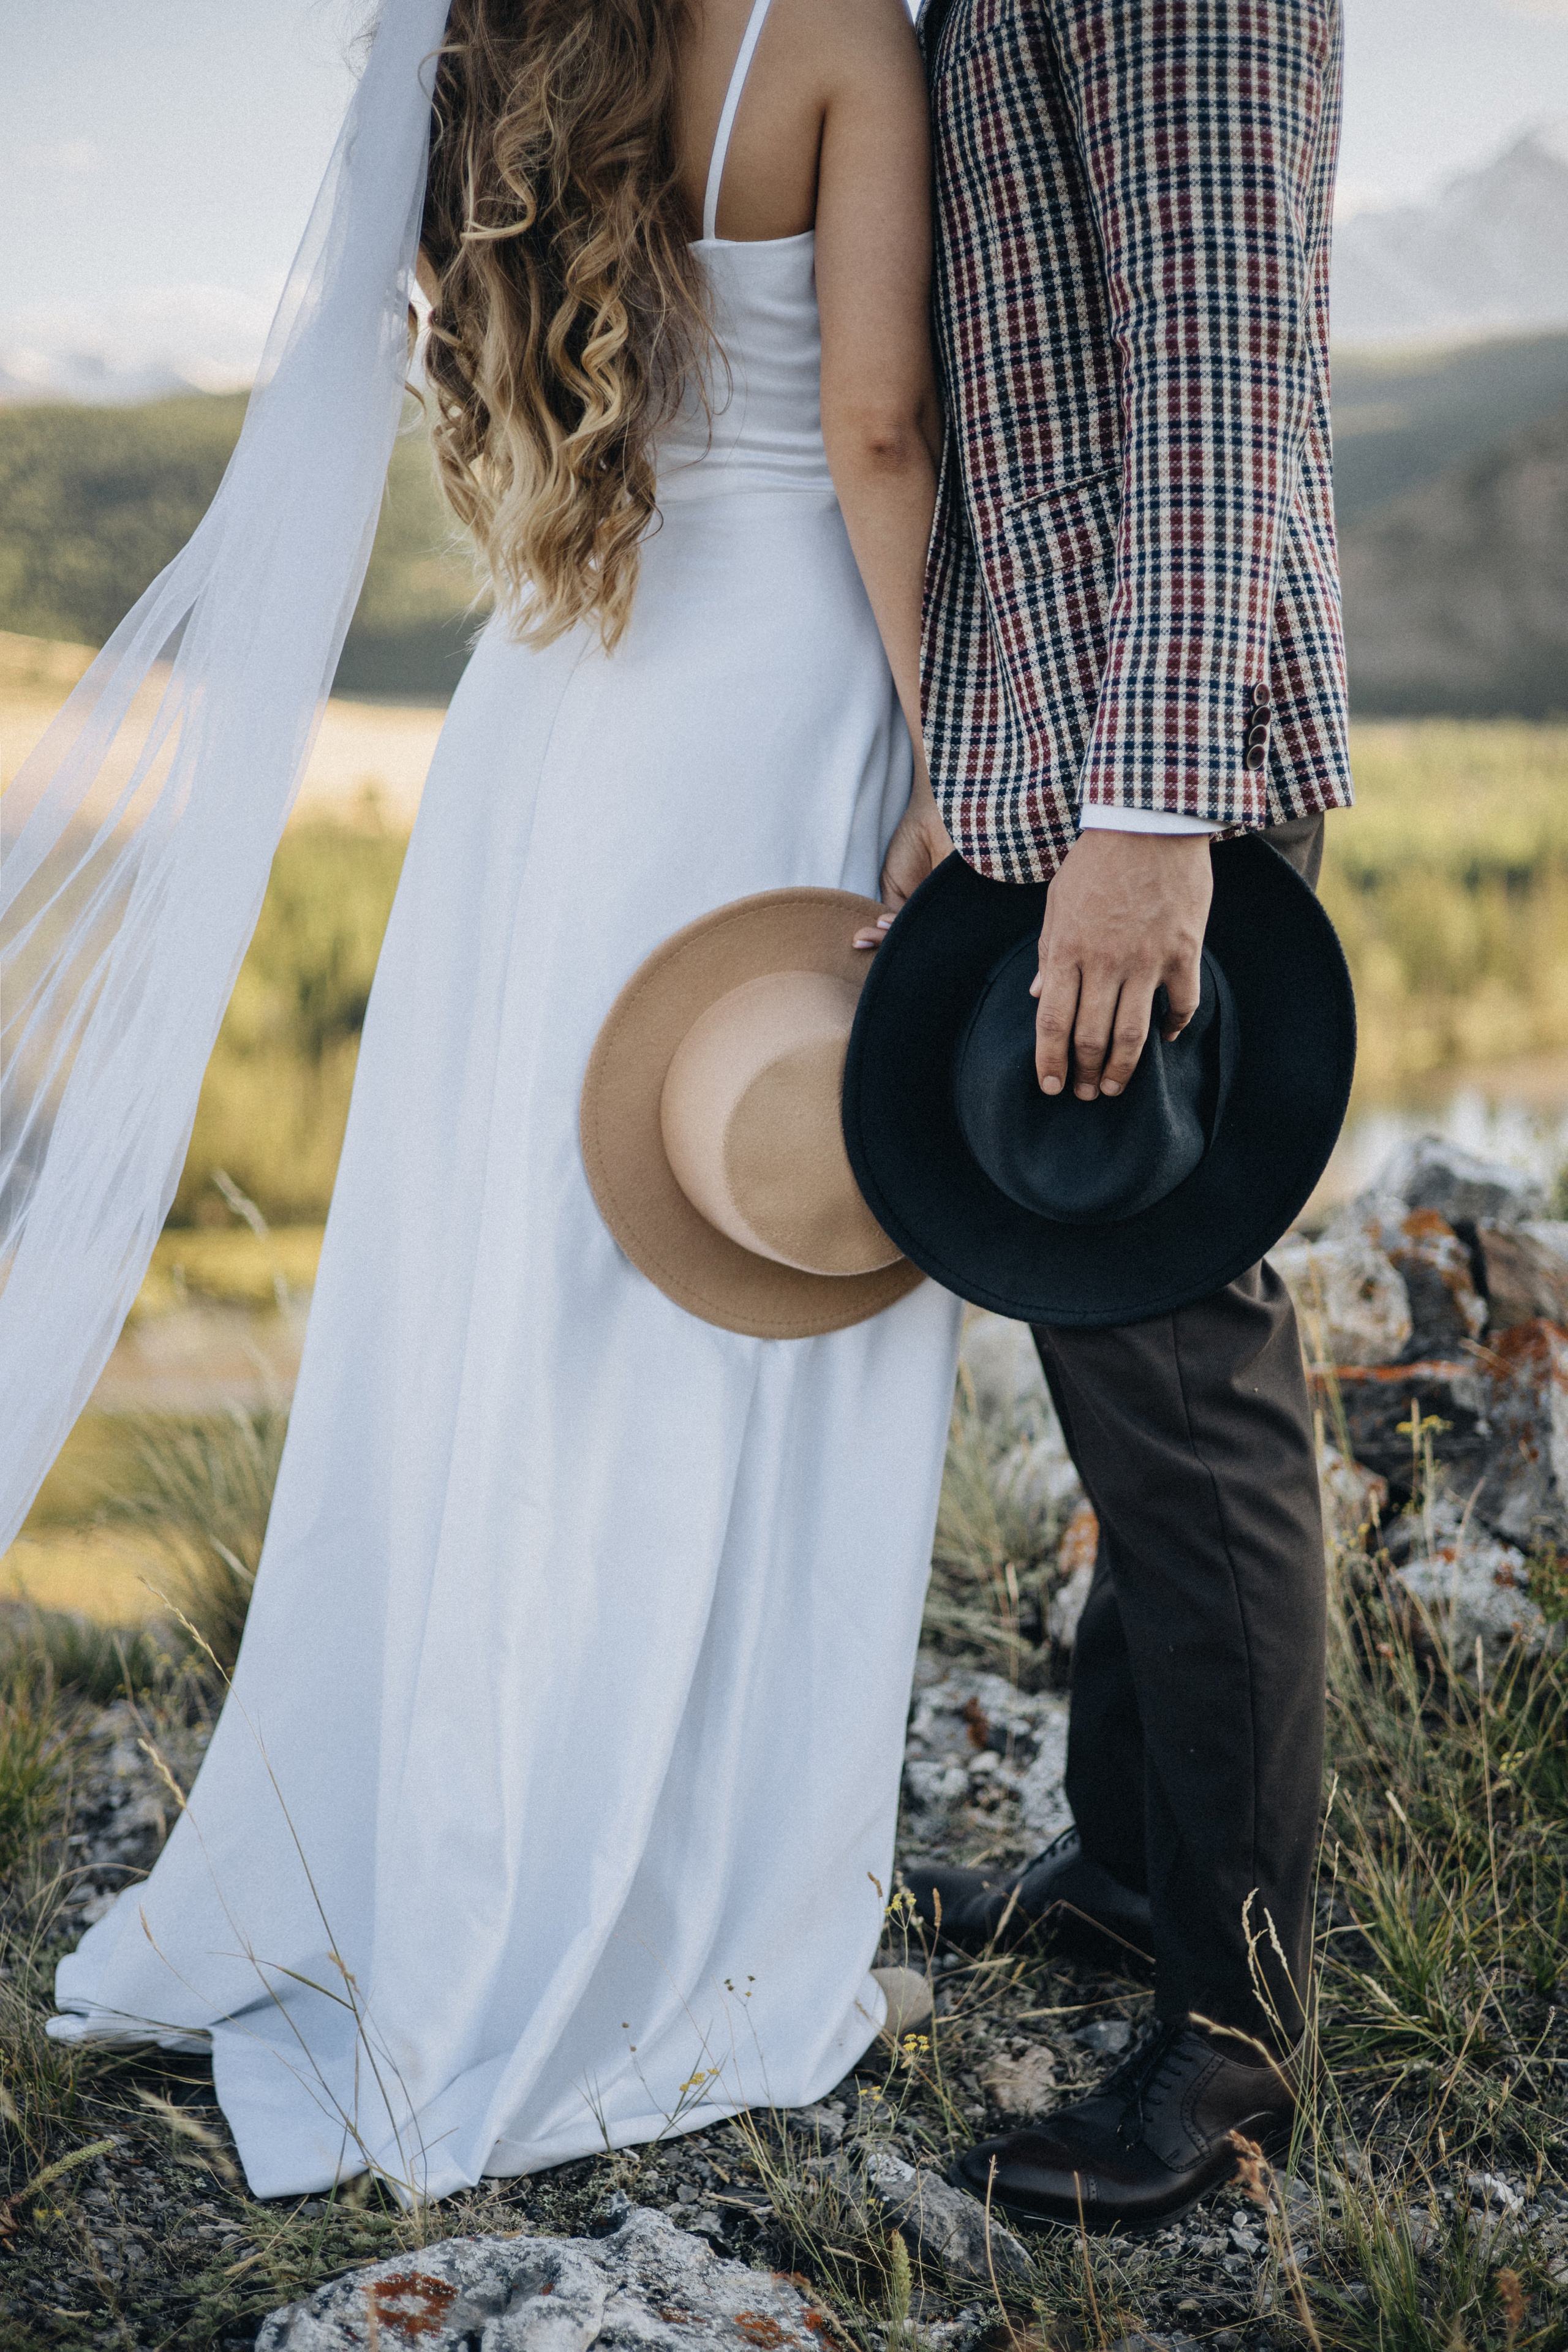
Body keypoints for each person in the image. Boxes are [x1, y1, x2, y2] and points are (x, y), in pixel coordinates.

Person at [41, 0, 963, 2201]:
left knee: (515, 1306)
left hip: (552, 706)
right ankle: (672, 1901)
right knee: (753, 1295)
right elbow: (877, 430)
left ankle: (455, 1833)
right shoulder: (838, 32)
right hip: (777, 709)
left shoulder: (505, 34)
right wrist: (958, 747)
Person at [880, 0, 1357, 2235]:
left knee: (1187, 1380)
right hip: (1064, 782)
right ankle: (1131, 1864)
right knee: (1118, 1331)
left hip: (1146, 804)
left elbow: (1226, 350)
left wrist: (1149, 806)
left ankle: (1242, 2032)